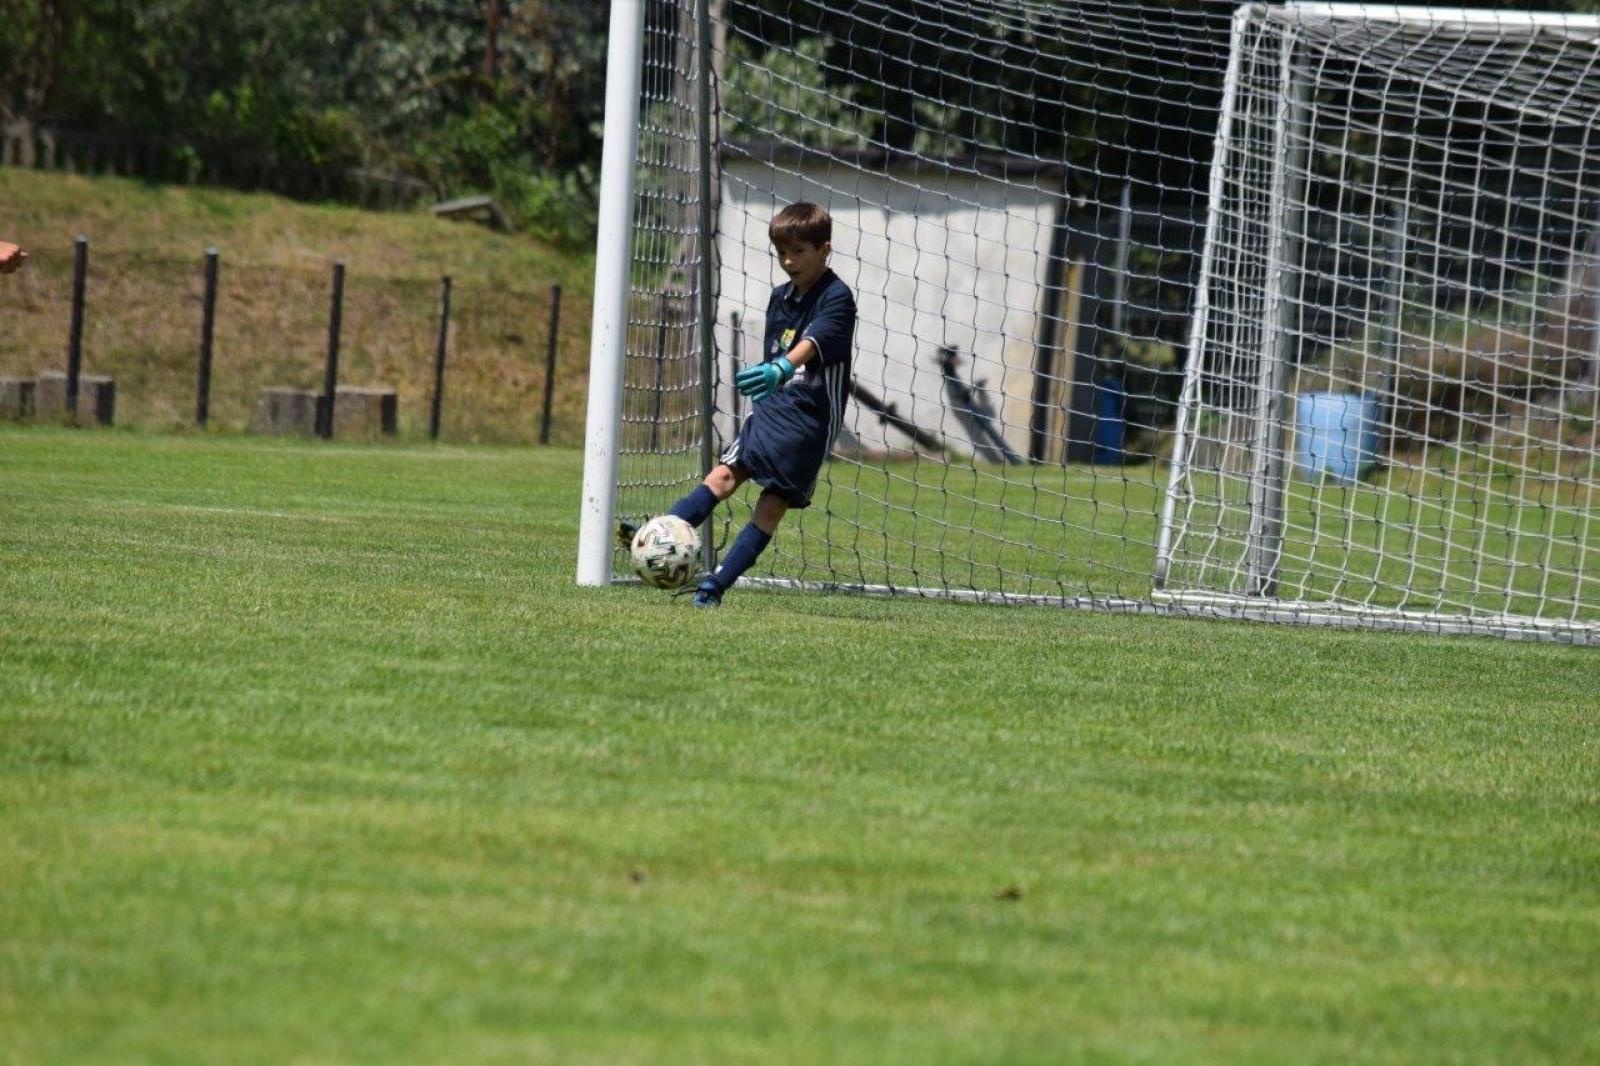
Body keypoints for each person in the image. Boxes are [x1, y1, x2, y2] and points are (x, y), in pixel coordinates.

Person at [620, 201, 857, 607]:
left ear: (825, 250)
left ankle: (714, 586)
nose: (788, 261)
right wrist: (773, 377)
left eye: (799, 251)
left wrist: (782, 367)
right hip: (773, 406)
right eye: (781, 252)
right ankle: (658, 536)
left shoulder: (837, 296)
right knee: (723, 476)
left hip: (809, 419)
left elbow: (813, 341)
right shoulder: (780, 297)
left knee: (772, 504)